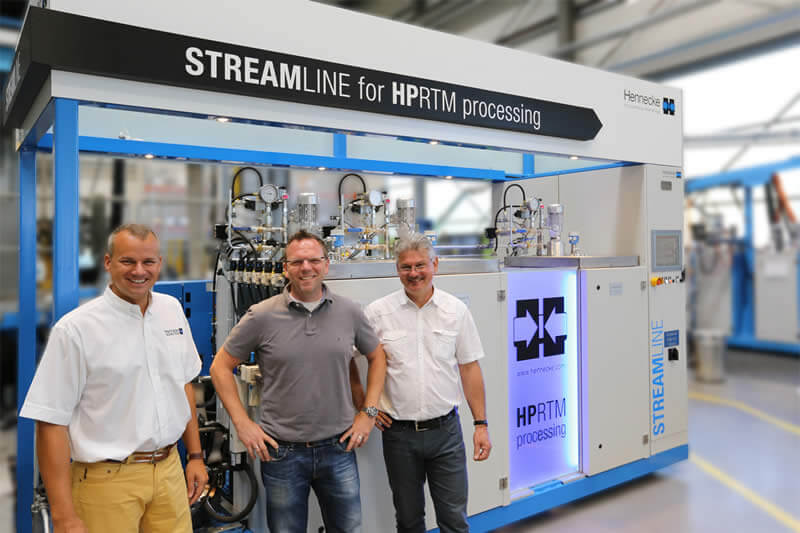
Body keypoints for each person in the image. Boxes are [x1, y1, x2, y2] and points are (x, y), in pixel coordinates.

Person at [20, 223, 207, 533]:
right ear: (108, 263)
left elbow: (183, 384)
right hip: (106, 482)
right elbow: (50, 422)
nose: (139, 271)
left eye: (148, 262)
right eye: (127, 261)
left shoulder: (172, 311)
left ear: (159, 264)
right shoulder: (76, 329)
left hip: (169, 470)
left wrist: (196, 455)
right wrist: (64, 516)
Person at [210, 230, 387, 533]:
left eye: (314, 260)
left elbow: (378, 356)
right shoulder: (261, 316)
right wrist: (242, 424)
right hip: (282, 454)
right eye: (298, 261)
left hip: (339, 448)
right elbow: (220, 368)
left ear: (326, 265)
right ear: (285, 268)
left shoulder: (350, 311)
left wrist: (368, 414)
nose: (306, 268)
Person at [365, 233, 492, 533]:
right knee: (408, 521)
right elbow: (354, 362)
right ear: (396, 269)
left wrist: (481, 424)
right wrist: (367, 408)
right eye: (405, 267)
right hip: (398, 435)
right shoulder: (378, 313)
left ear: (435, 264)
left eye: (420, 265)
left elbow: (470, 368)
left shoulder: (455, 311)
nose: (414, 273)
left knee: (453, 519)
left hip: (446, 433)